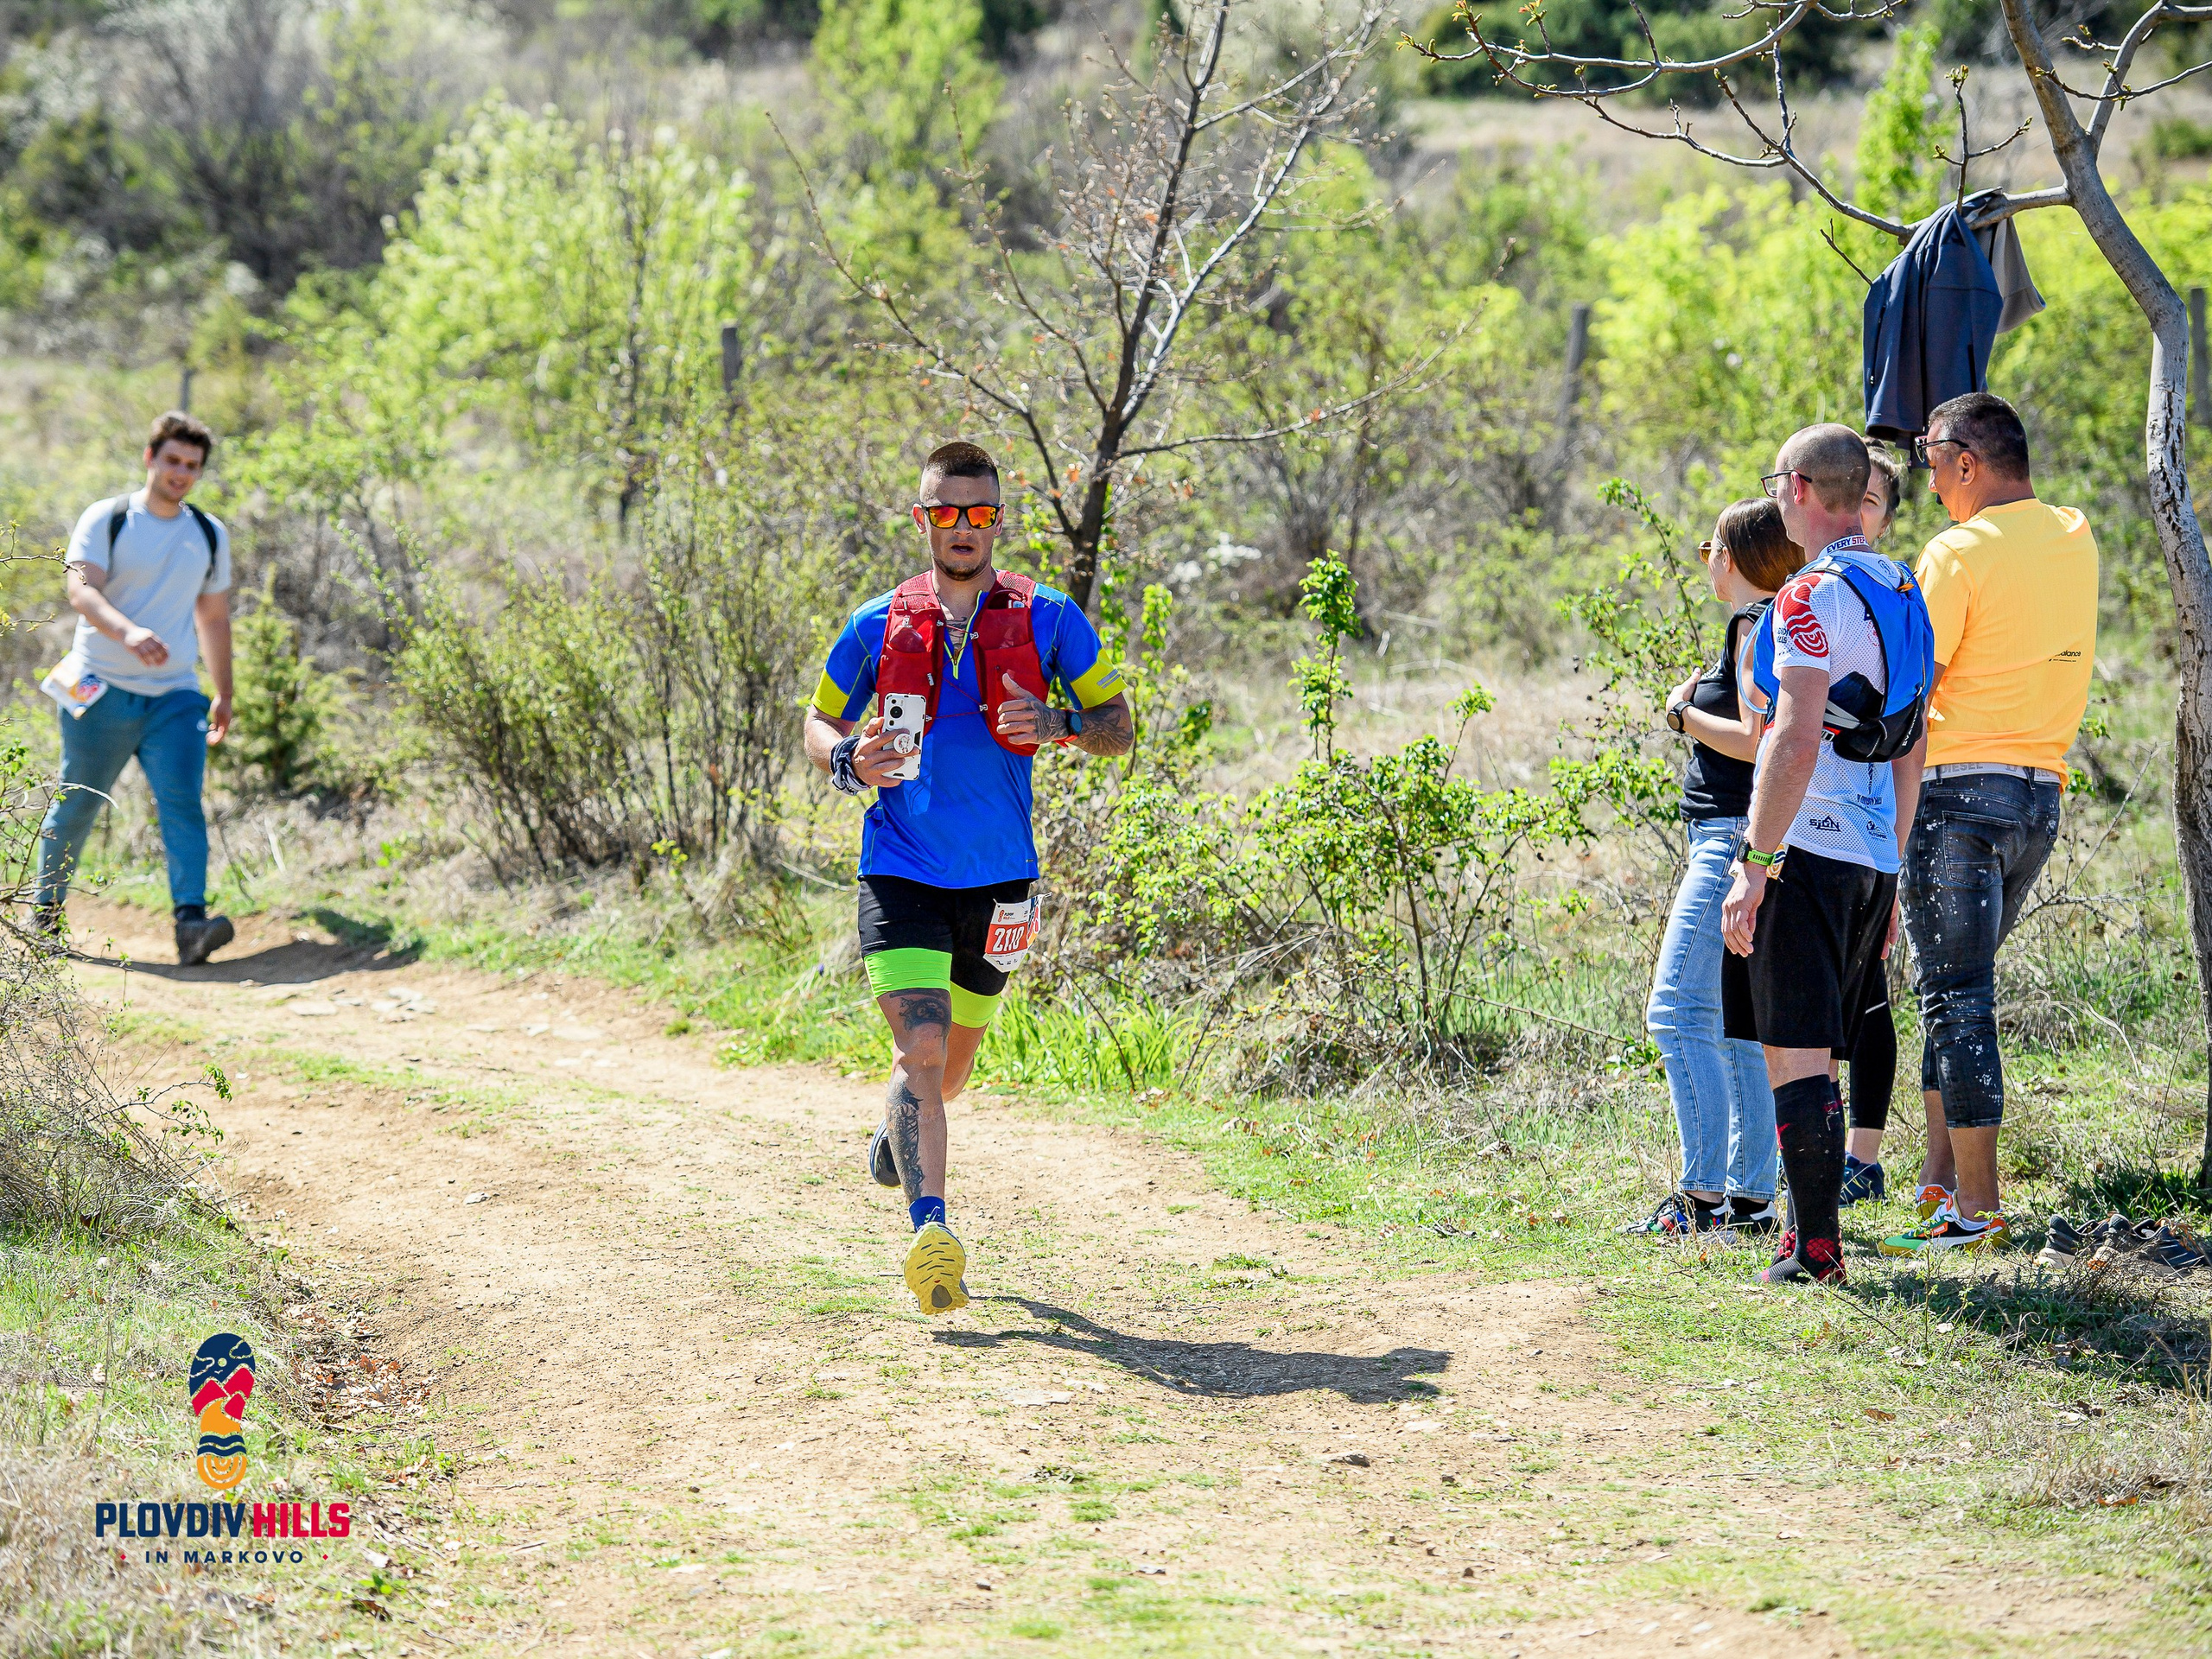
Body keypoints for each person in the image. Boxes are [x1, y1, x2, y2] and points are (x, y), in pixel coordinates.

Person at [804, 441, 1135, 1314]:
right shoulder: (876, 623)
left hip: (1000, 882)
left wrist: (1060, 720)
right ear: (921, 520)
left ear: (996, 519)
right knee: (919, 1051)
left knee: (947, 1072)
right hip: (900, 868)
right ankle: (930, 1233)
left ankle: (897, 1134)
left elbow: (1118, 725)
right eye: (945, 512)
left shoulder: (1050, 616)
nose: (962, 527)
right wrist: (848, 762)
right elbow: (819, 719)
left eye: (978, 513)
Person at [1879, 392, 2097, 1256]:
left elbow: (1911, 687)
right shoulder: (2073, 534)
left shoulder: (1956, 551)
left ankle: (1976, 1208)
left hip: (1956, 799)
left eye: (1930, 460)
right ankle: (1940, 1187)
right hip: (2036, 799)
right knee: (1950, 988)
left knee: (1956, 998)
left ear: (1966, 462)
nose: (1927, 483)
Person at [1721, 423, 1933, 1285]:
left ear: (1803, 487)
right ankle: (1805, 1231)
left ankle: (1815, 1251)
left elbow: (1792, 737)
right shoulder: (1901, 584)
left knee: (1794, 1047)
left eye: (1777, 481)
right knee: (1814, 1042)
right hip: (1872, 852)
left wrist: (1754, 862)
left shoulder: (1808, 595)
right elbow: (1917, 740)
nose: (1774, 495)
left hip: (1805, 843)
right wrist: (1893, 867)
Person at [1641, 499, 1800, 1240]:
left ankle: (1702, 1198)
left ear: (1729, 559)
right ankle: (1751, 1204)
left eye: (1710, 546)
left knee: (1675, 1015)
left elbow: (1753, 738)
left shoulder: (1751, 625)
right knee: (1738, 1028)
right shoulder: (1782, 619)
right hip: (1762, 836)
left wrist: (1680, 715)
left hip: (1732, 835)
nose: (1705, 557)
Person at [34, 411, 235, 965]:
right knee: (77, 803)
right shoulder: (108, 518)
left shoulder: (209, 533)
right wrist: (127, 631)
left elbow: (214, 618)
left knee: (182, 806)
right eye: (172, 461)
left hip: (174, 696)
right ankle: (43, 914)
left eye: (192, 466)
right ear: (151, 458)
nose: (181, 473)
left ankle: (190, 925)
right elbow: (81, 591)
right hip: (101, 687)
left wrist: (224, 691)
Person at [1835, 445, 1909, 1205]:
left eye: (1875, 501)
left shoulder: (1897, 595)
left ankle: (1864, 1159)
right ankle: (1821, 1157)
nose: (1860, 512)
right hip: (1819, 821)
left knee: (1871, 990)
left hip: (1876, 816)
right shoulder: (1815, 591)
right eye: (1853, 495)